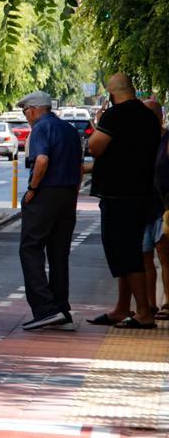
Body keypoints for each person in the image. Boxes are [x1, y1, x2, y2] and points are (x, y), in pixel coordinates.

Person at [86, 73, 161, 329]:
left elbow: (95, 147)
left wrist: (98, 123)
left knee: (125, 253)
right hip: (141, 192)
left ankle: (142, 312)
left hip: (118, 194)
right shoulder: (147, 116)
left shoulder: (115, 115)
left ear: (111, 92)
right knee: (127, 251)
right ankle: (121, 308)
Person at [15, 90, 82, 331]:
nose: (26, 117)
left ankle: (45, 309)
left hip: (45, 193)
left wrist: (32, 189)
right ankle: (61, 309)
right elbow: (80, 166)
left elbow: (41, 160)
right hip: (67, 195)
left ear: (33, 110)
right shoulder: (70, 130)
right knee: (58, 253)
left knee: (30, 248)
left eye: (25, 112)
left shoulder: (41, 128)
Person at [141, 100, 169, 319]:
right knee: (144, 256)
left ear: (159, 116)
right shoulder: (139, 140)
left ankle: (167, 302)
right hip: (143, 206)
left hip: (163, 208)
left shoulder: (166, 140)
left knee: (165, 255)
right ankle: (149, 305)